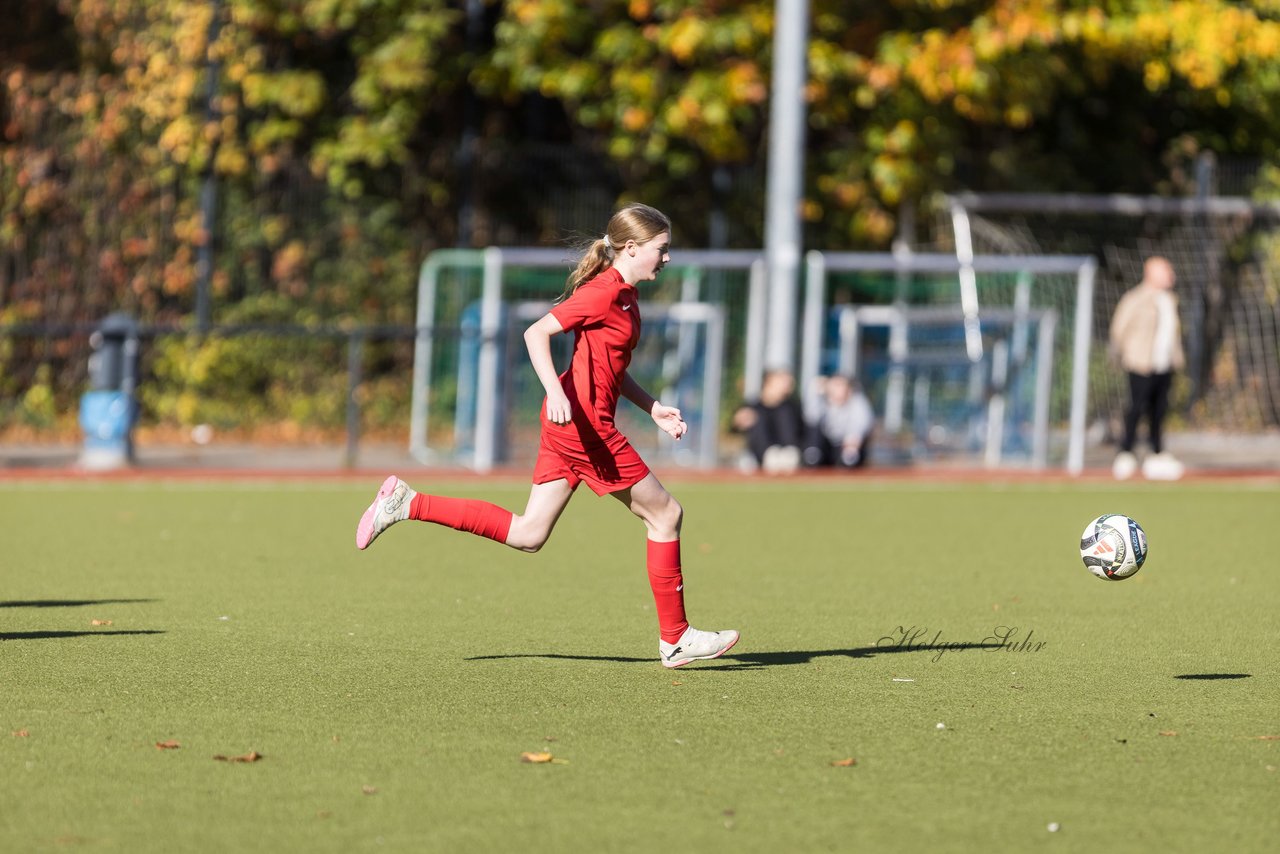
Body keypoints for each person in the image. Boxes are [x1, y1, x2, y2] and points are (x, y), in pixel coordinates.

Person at [355, 203, 738, 668]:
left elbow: (612, 368)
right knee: (666, 514)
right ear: (632, 248)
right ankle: (675, 638)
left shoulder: (627, 297)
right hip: (585, 430)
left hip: (573, 426)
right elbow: (536, 334)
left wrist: (652, 407)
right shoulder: (603, 292)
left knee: (529, 533)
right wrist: (555, 391)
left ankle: (408, 503)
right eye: (662, 248)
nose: (668, 257)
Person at [1108, 255, 1185, 480]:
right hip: (1140, 363)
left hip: (1164, 364)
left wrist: (1177, 358)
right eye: (1166, 270)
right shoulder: (1135, 298)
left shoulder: (1169, 300)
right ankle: (1125, 451)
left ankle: (1156, 453)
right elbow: (1119, 329)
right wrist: (1121, 355)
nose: (1171, 275)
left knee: (1159, 410)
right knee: (1136, 407)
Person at [730, 368, 805, 474]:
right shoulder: (753, 407)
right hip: (762, 458)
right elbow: (734, 428)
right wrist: (739, 421)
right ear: (769, 381)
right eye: (782, 380)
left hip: (788, 456)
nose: (788, 384)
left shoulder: (791, 407)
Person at [801, 374, 874, 469]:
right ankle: (812, 457)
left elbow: (860, 424)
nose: (839, 389)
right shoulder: (822, 401)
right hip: (825, 445)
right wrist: (814, 391)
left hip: (845, 445)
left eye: (842, 385)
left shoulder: (856, 402)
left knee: (850, 451)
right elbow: (811, 417)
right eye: (836, 385)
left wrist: (852, 441)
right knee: (814, 433)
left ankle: (847, 464)